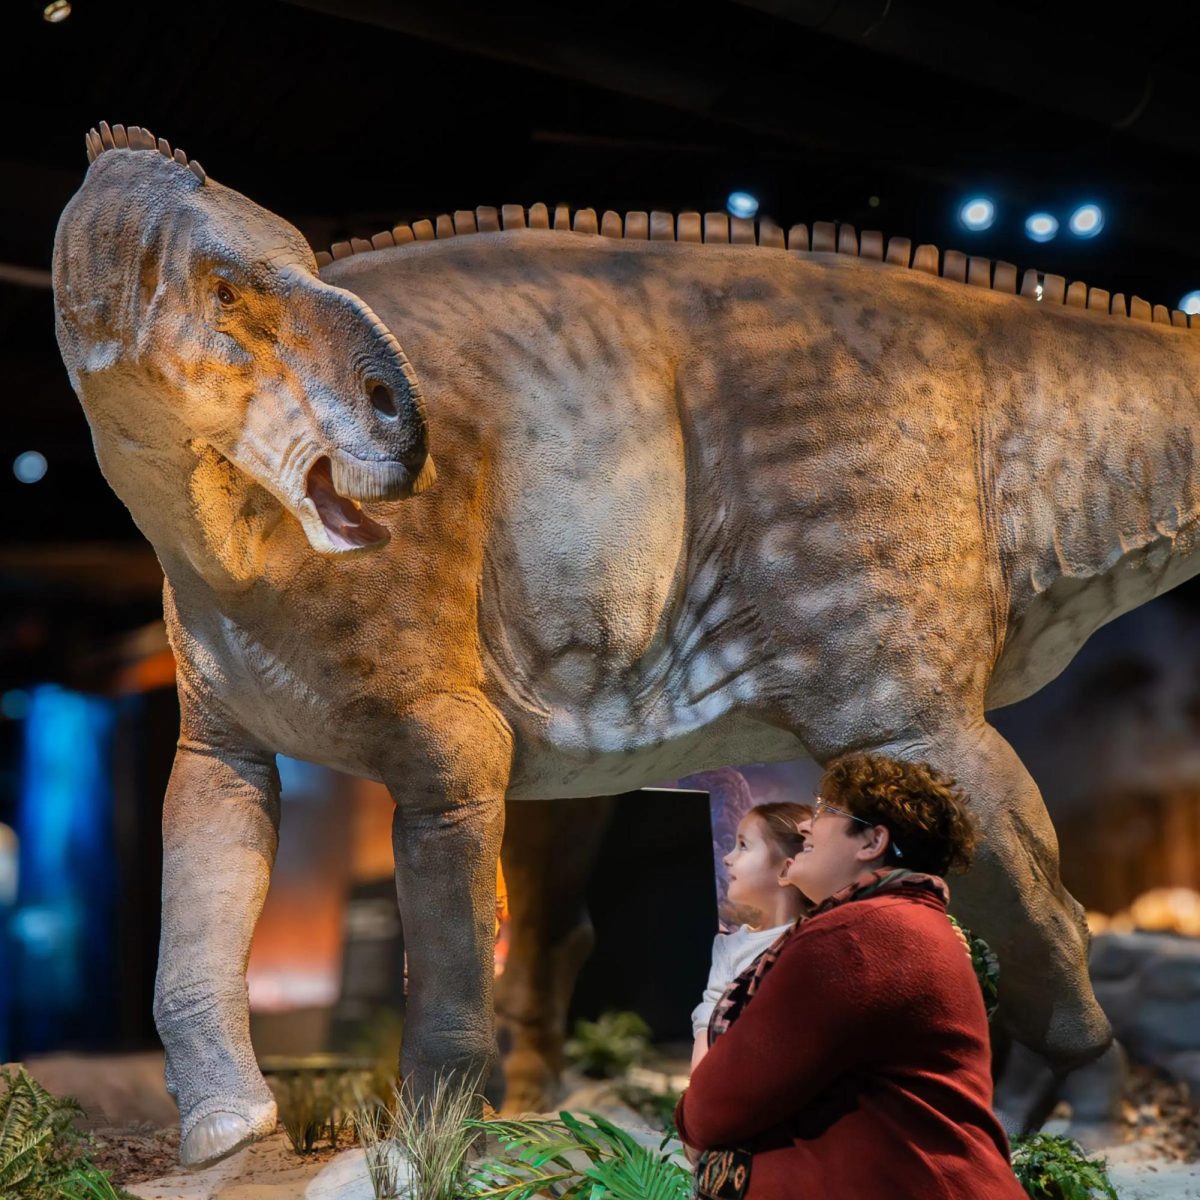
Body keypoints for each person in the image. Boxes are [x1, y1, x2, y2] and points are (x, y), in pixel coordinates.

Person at [675, 752, 1026, 1200]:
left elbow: (713, 1108)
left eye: (824, 812)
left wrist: (693, 1113)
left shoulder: (853, 936)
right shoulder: (905, 921)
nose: (806, 827)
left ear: (871, 842)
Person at [691, 802, 810, 1072]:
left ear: (785, 870)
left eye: (743, 845)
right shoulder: (727, 946)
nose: (727, 858)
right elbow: (708, 1019)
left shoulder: (814, 938)